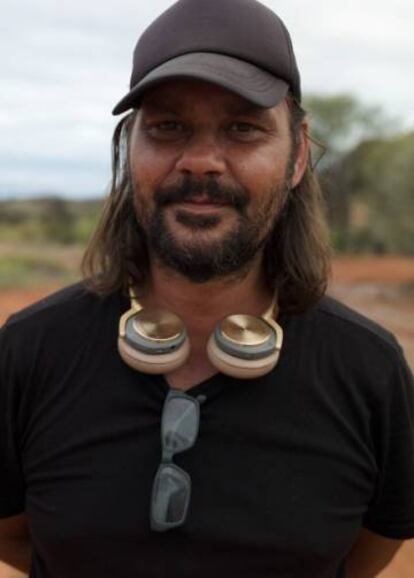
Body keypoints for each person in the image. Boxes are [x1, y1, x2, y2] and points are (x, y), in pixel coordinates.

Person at [1, 0, 414, 576]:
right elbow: (16, 539)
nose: (201, 162)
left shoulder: (369, 370)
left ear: (297, 155)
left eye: (243, 128)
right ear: (130, 149)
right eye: (168, 127)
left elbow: (364, 557)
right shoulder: (28, 352)